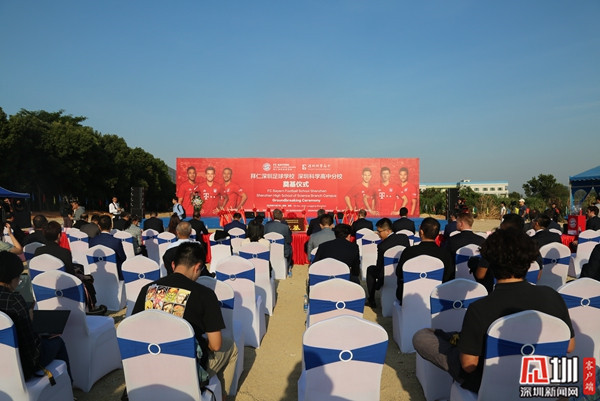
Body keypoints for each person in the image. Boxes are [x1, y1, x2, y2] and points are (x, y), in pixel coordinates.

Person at [412, 228, 575, 393]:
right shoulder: (552, 296)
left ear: (489, 262)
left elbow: (469, 365)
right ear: (530, 260)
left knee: (423, 337)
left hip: (490, 382)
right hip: (540, 378)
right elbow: (569, 345)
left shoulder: (480, 308)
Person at [132, 242, 238, 395]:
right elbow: (215, 345)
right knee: (231, 347)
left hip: (150, 361)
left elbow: (134, 330)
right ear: (198, 267)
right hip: (185, 369)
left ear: (173, 264)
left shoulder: (148, 289)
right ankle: (222, 395)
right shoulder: (205, 295)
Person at [0, 251, 72, 381]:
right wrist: (36, 329)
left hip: (4, 364)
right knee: (57, 342)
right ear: (12, 278)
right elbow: (31, 350)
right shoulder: (14, 301)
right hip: (22, 367)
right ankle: (68, 385)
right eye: (18, 277)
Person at [34, 221, 105, 314]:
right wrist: (81, 276)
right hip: (63, 287)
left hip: (42, 285)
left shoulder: (38, 251)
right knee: (87, 280)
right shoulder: (64, 252)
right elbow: (70, 275)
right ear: (59, 235)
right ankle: (91, 307)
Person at [395, 217, 454, 302]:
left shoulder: (408, 252)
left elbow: (399, 273)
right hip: (438, 297)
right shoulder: (445, 254)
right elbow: (449, 277)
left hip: (410, 297)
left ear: (421, 232)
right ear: (437, 235)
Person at [366, 218, 410, 308]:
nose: (378, 234)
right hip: (403, 273)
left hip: (386, 275)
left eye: (379, 232)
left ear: (387, 231)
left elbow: (379, 266)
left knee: (370, 269)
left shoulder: (382, 246)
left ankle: (371, 299)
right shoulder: (404, 238)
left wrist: (379, 282)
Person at [89, 215, 127, 280]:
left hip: (96, 276)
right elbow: (123, 258)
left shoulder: (92, 241)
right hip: (115, 275)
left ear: (99, 226)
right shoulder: (116, 241)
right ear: (111, 226)